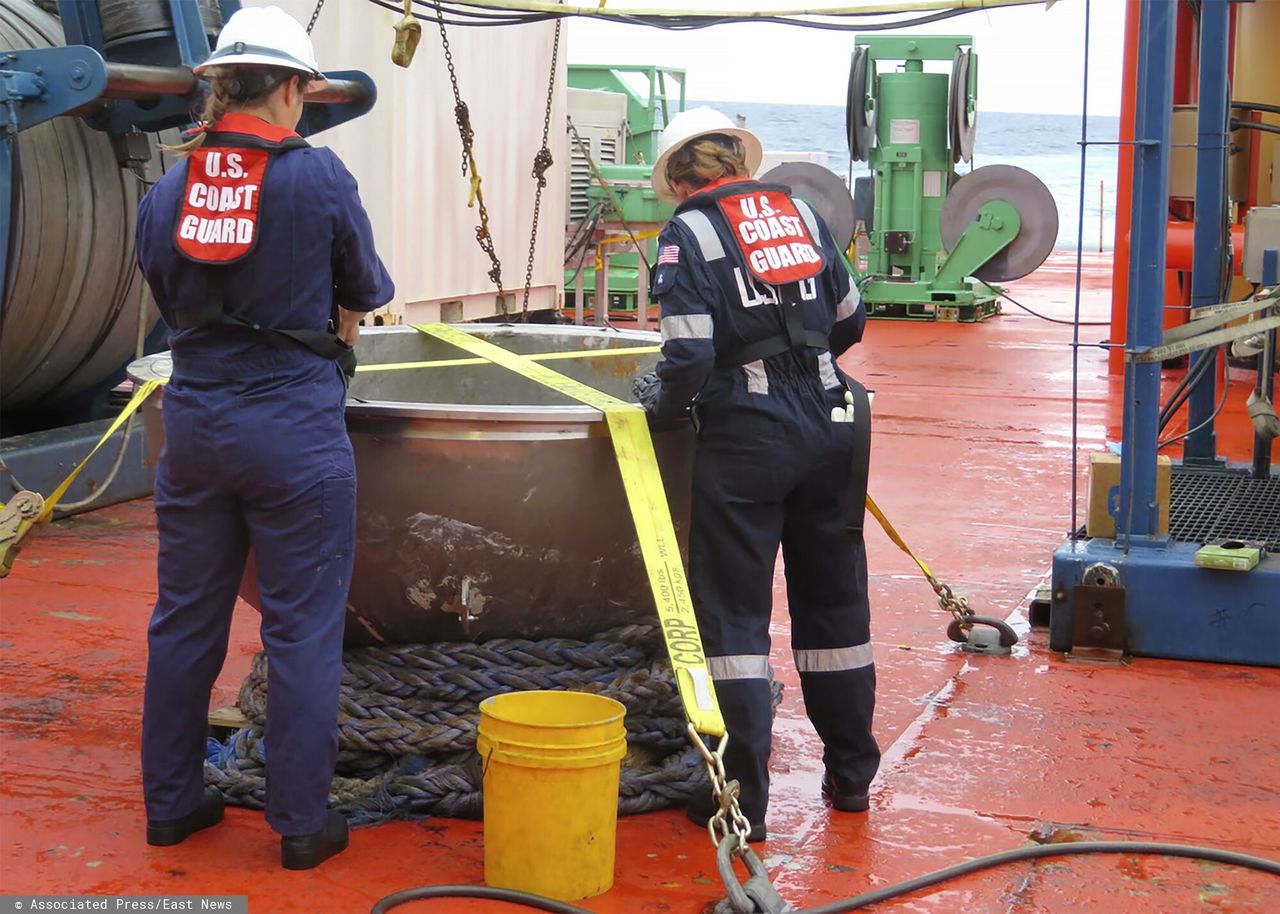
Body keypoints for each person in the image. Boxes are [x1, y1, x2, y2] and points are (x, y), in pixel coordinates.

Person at [134, 6, 394, 869]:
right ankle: (298, 824)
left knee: (183, 621)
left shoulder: (169, 188)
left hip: (197, 426)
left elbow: (168, 292)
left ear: (218, 84)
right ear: (292, 87)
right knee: (300, 632)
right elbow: (365, 286)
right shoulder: (316, 178)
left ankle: (171, 806)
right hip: (294, 432)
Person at [633, 107, 879, 842]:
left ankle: (742, 807)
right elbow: (850, 320)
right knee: (837, 611)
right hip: (837, 424)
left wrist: (656, 413)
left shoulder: (690, 232)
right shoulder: (800, 212)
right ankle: (853, 782)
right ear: (740, 161)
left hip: (749, 435)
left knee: (735, 621)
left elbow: (686, 356)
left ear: (681, 180)